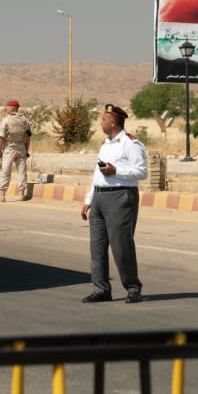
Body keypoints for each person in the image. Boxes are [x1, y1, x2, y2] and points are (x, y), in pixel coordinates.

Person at [80, 104, 147, 304]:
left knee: (121, 245)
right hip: (100, 197)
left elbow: (141, 172)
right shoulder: (105, 144)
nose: (101, 122)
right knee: (97, 247)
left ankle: (133, 288)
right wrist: (89, 200)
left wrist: (116, 171)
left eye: (103, 119)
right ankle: (101, 289)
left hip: (120, 197)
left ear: (112, 122)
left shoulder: (131, 143)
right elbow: (97, 173)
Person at [0, 100, 31, 202]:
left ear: (13, 108)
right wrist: (26, 150)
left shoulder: (6, 120)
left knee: (5, 171)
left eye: (8, 107)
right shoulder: (25, 120)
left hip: (9, 148)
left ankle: (2, 194)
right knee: (22, 172)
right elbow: (28, 137)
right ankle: (21, 194)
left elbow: (1, 137)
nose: (6, 108)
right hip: (22, 148)